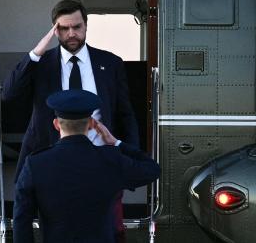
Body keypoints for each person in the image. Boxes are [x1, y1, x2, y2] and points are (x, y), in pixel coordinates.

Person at [4, 0, 140, 241]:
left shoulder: (110, 63)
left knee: (109, 229)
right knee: (56, 229)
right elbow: (9, 94)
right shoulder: (41, 63)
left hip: (101, 161)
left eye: (77, 27)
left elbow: (125, 114)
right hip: (51, 162)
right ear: (55, 30)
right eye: (64, 28)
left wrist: (129, 157)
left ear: (86, 26)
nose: (71, 34)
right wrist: (36, 52)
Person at [13, 90, 160, 243]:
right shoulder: (111, 159)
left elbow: (21, 219)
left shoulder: (35, 163)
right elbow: (152, 169)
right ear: (91, 124)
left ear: (56, 124)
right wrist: (116, 143)